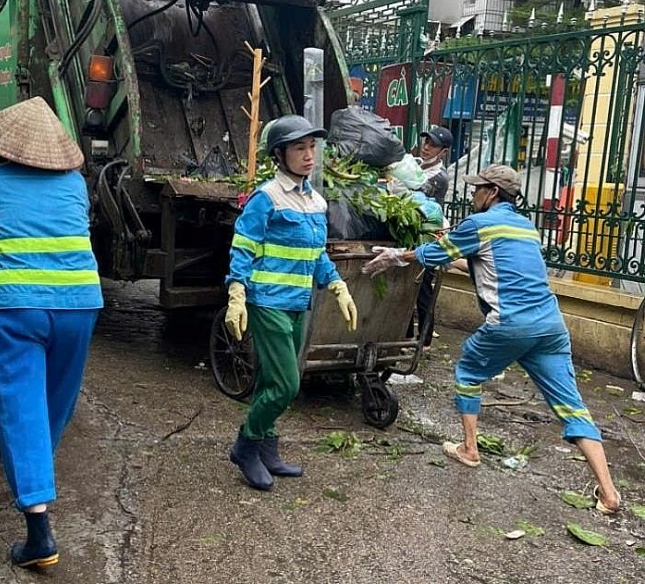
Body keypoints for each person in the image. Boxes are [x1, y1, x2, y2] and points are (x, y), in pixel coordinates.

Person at [361, 164, 621, 514]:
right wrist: (454, 261)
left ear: (492, 193)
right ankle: (608, 493)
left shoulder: (481, 224)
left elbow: (435, 252)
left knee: (468, 372)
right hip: (550, 326)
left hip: (510, 324)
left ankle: (469, 449)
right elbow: (490, 265)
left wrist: (397, 256)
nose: (472, 195)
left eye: (477, 189)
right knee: (571, 406)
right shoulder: (526, 228)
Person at [0, 96, 103, 567]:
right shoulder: (74, 184)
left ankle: (39, 536)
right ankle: (31, 470)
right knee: (52, 407)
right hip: (79, 304)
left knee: (21, 409)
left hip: (13, 309)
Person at [225, 114, 358, 491]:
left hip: (298, 302)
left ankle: (267, 449)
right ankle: (246, 444)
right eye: (299, 148)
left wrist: (337, 286)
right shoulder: (266, 198)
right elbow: (243, 247)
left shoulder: (315, 202)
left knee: (271, 379)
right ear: (280, 154)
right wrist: (237, 293)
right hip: (267, 301)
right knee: (287, 384)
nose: (308, 155)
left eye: (312, 147)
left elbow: (317, 254)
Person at [407, 126, 453, 351]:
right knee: (405, 286)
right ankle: (405, 335)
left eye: (432, 145)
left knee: (423, 289)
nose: (426, 147)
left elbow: (412, 190)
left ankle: (423, 339)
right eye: (425, 142)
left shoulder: (438, 177)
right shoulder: (416, 165)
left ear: (443, 152)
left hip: (427, 238)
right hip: (410, 233)